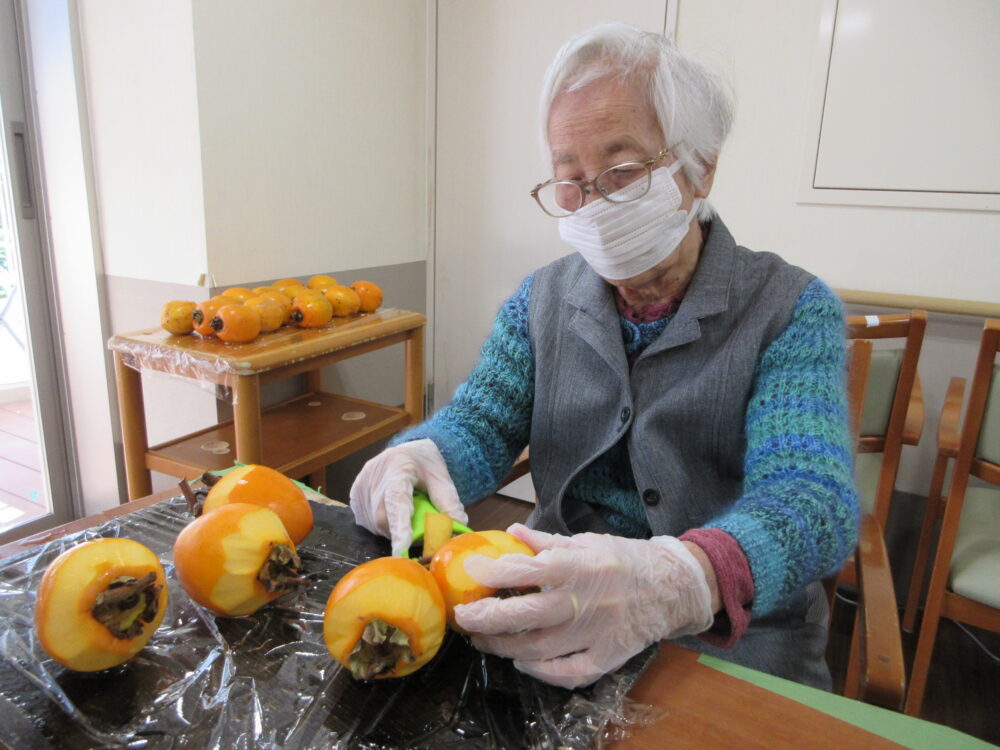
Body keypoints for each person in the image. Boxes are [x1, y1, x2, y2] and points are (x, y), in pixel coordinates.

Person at [350, 22, 857, 691]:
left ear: (700, 166)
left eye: (622, 172)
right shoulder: (540, 301)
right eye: (571, 180)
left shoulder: (789, 309)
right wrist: (422, 458)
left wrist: (686, 578)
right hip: (554, 613)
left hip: (731, 641)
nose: (595, 204)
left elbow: (812, 498)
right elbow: (480, 423)